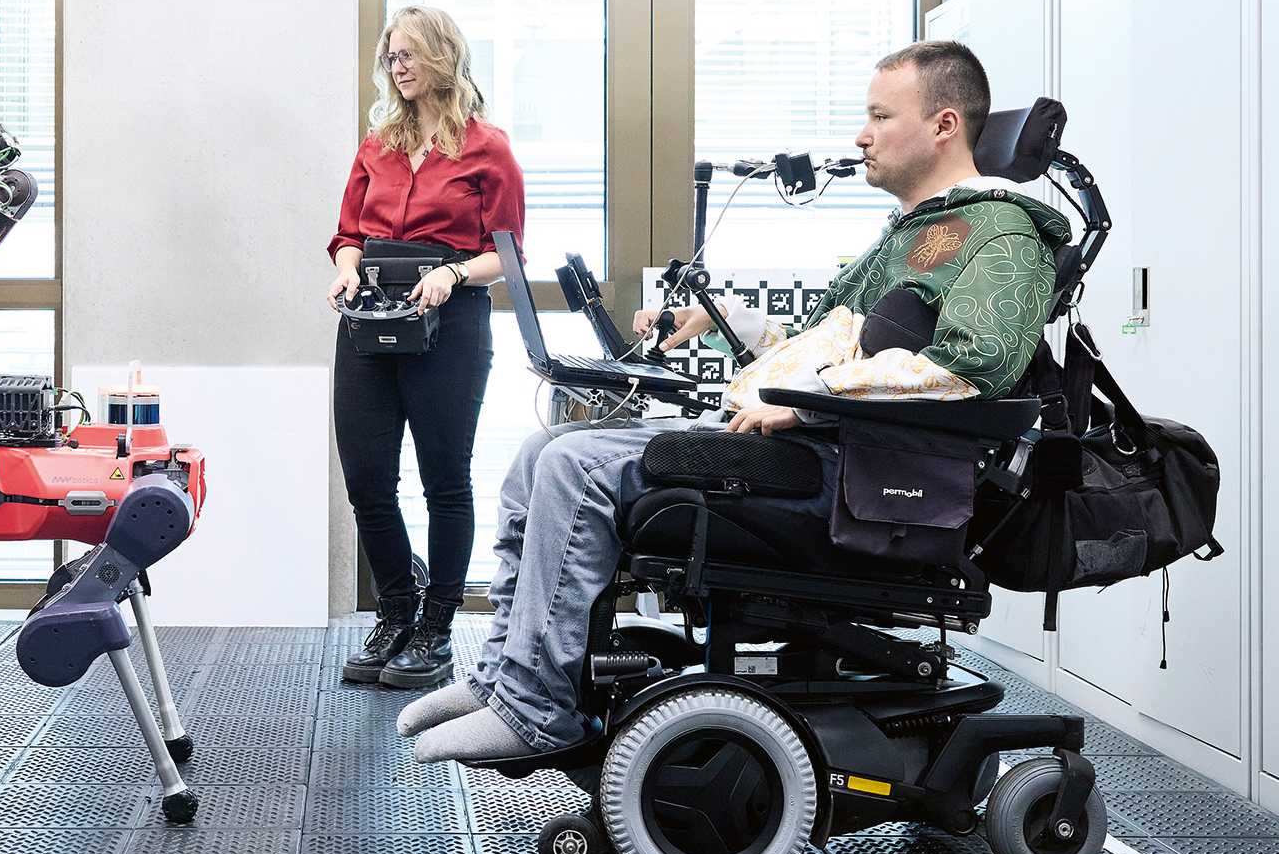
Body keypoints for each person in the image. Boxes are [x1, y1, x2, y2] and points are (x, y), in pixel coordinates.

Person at [394, 39, 1072, 761]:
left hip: (863, 479)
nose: (860, 134)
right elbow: (828, 343)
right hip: (820, 449)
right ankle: (506, 675)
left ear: (942, 125)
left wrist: (809, 403)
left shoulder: (1001, 232)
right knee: (540, 453)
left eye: (879, 116)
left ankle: (535, 710)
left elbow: (977, 365)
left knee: (576, 466)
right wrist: (726, 327)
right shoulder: (916, 232)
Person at [329, 6, 523, 689]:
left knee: (445, 478)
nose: (398, 67)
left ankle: (437, 627)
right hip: (371, 317)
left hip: (451, 326)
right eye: (391, 57)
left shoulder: (486, 147)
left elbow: (507, 255)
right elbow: (349, 231)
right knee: (368, 481)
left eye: (409, 54)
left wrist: (450, 271)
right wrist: (347, 267)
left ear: (443, 57)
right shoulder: (376, 144)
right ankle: (395, 611)